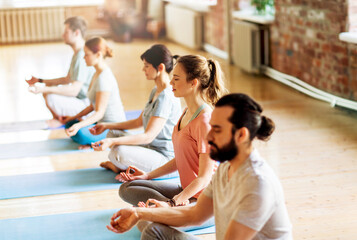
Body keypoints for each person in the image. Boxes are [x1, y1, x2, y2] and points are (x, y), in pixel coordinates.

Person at [107, 93, 293, 240]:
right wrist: (138, 213)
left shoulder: (257, 184)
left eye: (217, 130)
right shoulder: (225, 168)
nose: (209, 137)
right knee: (153, 230)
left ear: (241, 135)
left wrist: (163, 207)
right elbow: (196, 214)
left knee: (151, 228)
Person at [117, 55, 226, 212]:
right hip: (186, 192)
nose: (171, 83)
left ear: (193, 83)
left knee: (148, 225)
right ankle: (162, 210)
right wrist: (147, 175)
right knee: (128, 187)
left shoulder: (205, 121)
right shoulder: (186, 112)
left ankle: (166, 210)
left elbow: (204, 178)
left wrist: (173, 203)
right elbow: (181, 158)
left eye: (176, 79)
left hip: (205, 201)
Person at [89, 44, 182, 173]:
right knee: (112, 133)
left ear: (160, 67)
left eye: (147, 66)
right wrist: (106, 125)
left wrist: (111, 142)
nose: (143, 69)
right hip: (150, 147)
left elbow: (148, 136)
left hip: (164, 157)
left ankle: (121, 166)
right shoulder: (156, 90)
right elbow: (138, 122)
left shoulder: (166, 97)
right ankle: (125, 166)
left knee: (119, 152)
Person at [26, 16, 95, 127]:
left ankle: (61, 120)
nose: (63, 35)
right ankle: (60, 118)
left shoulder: (82, 56)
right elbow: (67, 79)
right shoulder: (78, 54)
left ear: (76, 33)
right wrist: (40, 80)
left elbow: (74, 91)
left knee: (50, 95)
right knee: (48, 90)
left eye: (66, 32)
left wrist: (44, 89)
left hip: (87, 105)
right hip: (81, 100)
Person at [62, 37, 126, 147]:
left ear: (98, 55)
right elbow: (93, 105)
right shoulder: (96, 73)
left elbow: (99, 112)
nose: (84, 57)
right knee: (69, 124)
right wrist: (73, 118)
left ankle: (92, 141)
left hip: (112, 128)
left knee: (79, 132)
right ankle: (90, 139)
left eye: (87, 54)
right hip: (100, 124)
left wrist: (79, 125)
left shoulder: (103, 78)